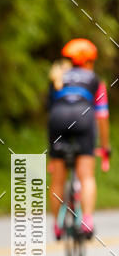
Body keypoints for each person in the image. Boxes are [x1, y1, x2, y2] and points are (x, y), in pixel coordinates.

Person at [48, 38, 111, 239]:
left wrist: (51, 156)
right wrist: (104, 146)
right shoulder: (94, 80)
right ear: (89, 61)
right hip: (83, 120)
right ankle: (87, 221)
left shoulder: (57, 76)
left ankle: (57, 225)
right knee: (86, 176)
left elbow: (50, 112)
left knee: (57, 179)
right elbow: (101, 116)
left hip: (57, 120)